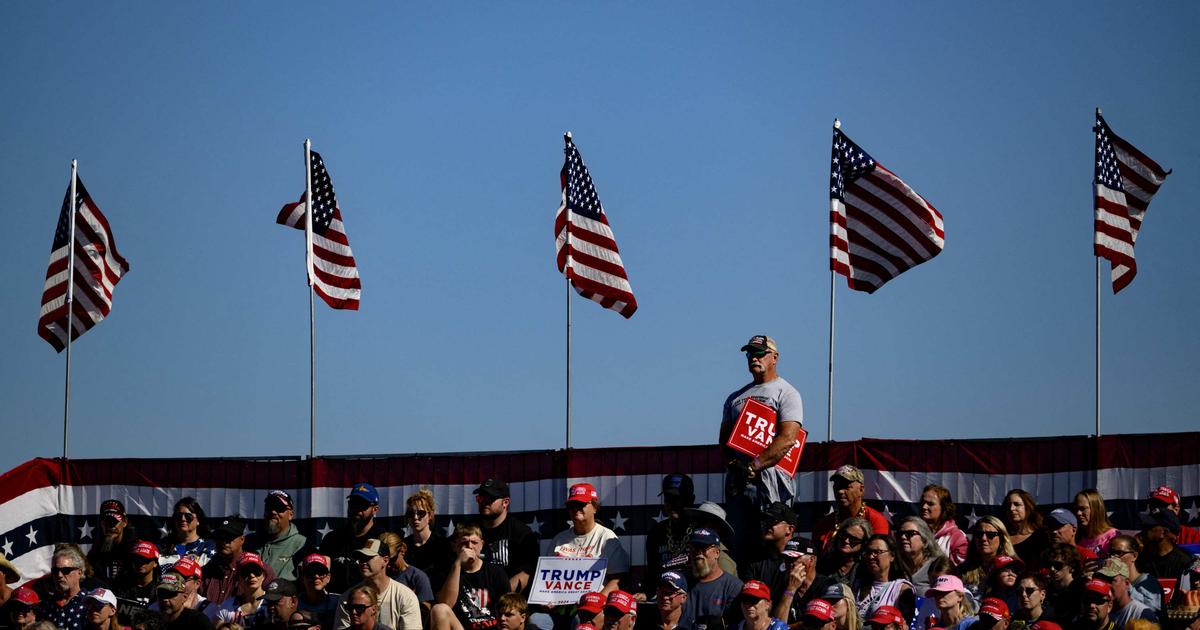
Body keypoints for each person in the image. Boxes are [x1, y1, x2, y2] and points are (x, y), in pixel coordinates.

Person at [719, 335, 805, 557]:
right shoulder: (734, 398)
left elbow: (788, 438)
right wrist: (735, 466)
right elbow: (724, 442)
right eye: (750, 354)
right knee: (740, 545)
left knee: (773, 544)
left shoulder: (787, 392)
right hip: (740, 483)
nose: (753, 358)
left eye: (759, 353)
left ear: (774, 357)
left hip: (772, 482)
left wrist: (754, 466)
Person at [551, 483, 630, 594]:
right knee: (537, 613)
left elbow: (618, 579)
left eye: (581, 504)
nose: (575, 508)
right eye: (571, 505)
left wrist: (598, 599)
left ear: (595, 507)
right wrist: (546, 598)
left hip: (594, 606)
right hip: (560, 604)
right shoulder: (559, 540)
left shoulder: (607, 537)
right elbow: (546, 578)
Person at [431, 524, 510, 630]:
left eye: (474, 542)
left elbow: (509, 608)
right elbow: (446, 603)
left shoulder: (496, 572)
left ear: (482, 545)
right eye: (464, 542)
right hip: (460, 627)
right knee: (439, 609)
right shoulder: (445, 573)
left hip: (492, 627)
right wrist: (457, 564)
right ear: (454, 546)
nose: (470, 546)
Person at [331, 540, 420, 630]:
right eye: (361, 558)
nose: (362, 562)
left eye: (368, 557)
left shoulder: (405, 596)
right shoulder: (348, 597)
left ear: (385, 560)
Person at [473, 479, 540, 594]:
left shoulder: (521, 533)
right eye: (481, 498)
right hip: (472, 595)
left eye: (490, 499)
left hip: (505, 600)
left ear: (505, 502)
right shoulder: (468, 530)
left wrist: (497, 598)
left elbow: (526, 573)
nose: (484, 502)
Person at [320, 484, 386, 595]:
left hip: (369, 603)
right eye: (353, 504)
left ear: (375, 509)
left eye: (363, 506)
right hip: (334, 604)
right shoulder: (332, 539)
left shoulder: (382, 539)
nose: (356, 510)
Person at [643, 474, 697, 597]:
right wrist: (646, 592)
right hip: (664, 596)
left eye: (677, 498)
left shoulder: (700, 532)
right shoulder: (656, 532)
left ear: (691, 499)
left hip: (693, 595)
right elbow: (652, 572)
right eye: (668, 498)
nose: (671, 503)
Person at [814, 467, 890, 551]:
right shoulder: (823, 525)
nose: (840, 491)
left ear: (861, 490)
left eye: (846, 486)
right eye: (837, 486)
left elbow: (878, 555)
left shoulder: (876, 521)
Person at [686, 528, 744, 628]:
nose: (698, 553)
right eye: (694, 548)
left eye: (704, 548)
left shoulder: (734, 587)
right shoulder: (682, 582)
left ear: (717, 552)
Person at [402, 489, 454, 593]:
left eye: (421, 513)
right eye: (411, 513)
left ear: (430, 516)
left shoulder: (443, 545)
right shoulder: (403, 546)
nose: (415, 517)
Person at [250, 492, 309, 583]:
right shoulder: (249, 542)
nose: (273, 512)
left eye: (279, 508)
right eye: (269, 508)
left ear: (291, 515)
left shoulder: (303, 544)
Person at [770, 537, 830, 623]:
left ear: (811, 560)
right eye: (786, 559)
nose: (789, 563)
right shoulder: (782, 586)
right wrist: (791, 589)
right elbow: (777, 626)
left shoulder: (826, 586)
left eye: (794, 558)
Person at [853, 536, 913, 622]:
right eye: (868, 552)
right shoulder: (858, 584)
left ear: (892, 556)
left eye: (877, 552)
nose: (871, 557)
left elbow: (906, 624)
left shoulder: (901, 588)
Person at [203, 518, 261, 607]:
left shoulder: (257, 567)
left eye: (229, 537)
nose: (224, 541)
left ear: (242, 539)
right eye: (220, 537)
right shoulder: (207, 570)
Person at [959, 517, 1017, 599]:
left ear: (1002, 539)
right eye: (979, 534)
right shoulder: (962, 570)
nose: (983, 538)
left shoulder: (1014, 568)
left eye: (991, 535)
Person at [210, 552, 270, 629]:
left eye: (256, 571)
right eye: (246, 572)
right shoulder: (227, 606)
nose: (252, 575)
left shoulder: (272, 604)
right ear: (238, 578)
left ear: (264, 576)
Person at [1091, 559, 1155, 628]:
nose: (1105, 585)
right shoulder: (1093, 611)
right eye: (1102, 580)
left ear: (1126, 583)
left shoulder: (1141, 614)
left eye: (1111, 580)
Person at [377, 534, 433, 611]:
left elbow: (426, 610)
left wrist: (410, 598)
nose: (387, 564)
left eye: (392, 559)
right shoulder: (376, 576)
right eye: (383, 560)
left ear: (402, 551)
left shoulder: (417, 577)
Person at [90, 500, 141, 583]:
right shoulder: (96, 549)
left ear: (125, 522)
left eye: (114, 522)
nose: (110, 527)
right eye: (106, 522)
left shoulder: (136, 548)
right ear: (101, 524)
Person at [40, 545, 90, 630]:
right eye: (55, 571)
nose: (59, 575)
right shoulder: (46, 605)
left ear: (79, 572)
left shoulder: (91, 603)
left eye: (65, 570)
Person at [1106, 536, 1161, 613]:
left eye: (1119, 553)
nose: (1113, 557)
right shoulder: (1109, 581)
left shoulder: (1148, 582)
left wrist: (1126, 587)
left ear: (1134, 556)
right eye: (1111, 553)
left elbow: (1152, 610)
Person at [1135, 511, 1192, 583]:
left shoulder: (1184, 563)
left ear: (1164, 532)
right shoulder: (1142, 558)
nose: (1142, 531)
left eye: (1148, 527)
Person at [894, 517, 946, 596]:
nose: (903, 537)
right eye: (899, 534)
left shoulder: (937, 566)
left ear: (924, 540)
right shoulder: (893, 568)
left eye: (910, 533)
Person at [114, 541, 161, 625]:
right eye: (136, 559)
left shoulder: (161, 589)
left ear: (155, 563)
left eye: (145, 560)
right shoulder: (120, 586)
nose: (140, 563)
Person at [920, 486, 967, 567]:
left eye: (930, 504)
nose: (924, 507)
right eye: (922, 503)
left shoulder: (958, 538)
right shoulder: (913, 532)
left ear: (944, 508)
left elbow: (955, 572)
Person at [161, 499, 217, 568]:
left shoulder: (208, 545)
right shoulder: (163, 545)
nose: (183, 519)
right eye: (178, 516)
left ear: (198, 520)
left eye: (188, 516)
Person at [1002, 492, 1049, 571]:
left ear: (1028, 507)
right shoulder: (1001, 536)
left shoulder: (1042, 536)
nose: (1011, 508)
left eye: (1017, 504)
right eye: (1008, 505)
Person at [817, 518, 871, 587]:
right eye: (844, 535)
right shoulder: (822, 564)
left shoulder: (867, 567)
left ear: (864, 543)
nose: (846, 541)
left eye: (853, 539)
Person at [1042, 544, 1086, 626]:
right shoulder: (1046, 591)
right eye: (1049, 565)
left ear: (1072, 567)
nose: (1052, 569)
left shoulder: (1082, 591)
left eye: (1058, 565)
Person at [295, 554, 339, 630]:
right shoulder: (294, 603)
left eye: (321, 572)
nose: (316, 576)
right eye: (310, 572)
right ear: (302, 578)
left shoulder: (338, 601)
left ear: (328, 577)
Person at [1070, 491, 1117, 559]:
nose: (1078, 513)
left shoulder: (1113, 536)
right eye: (1076, 509)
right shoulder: (1077, 538)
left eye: (1083, 509)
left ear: (1096, 509)